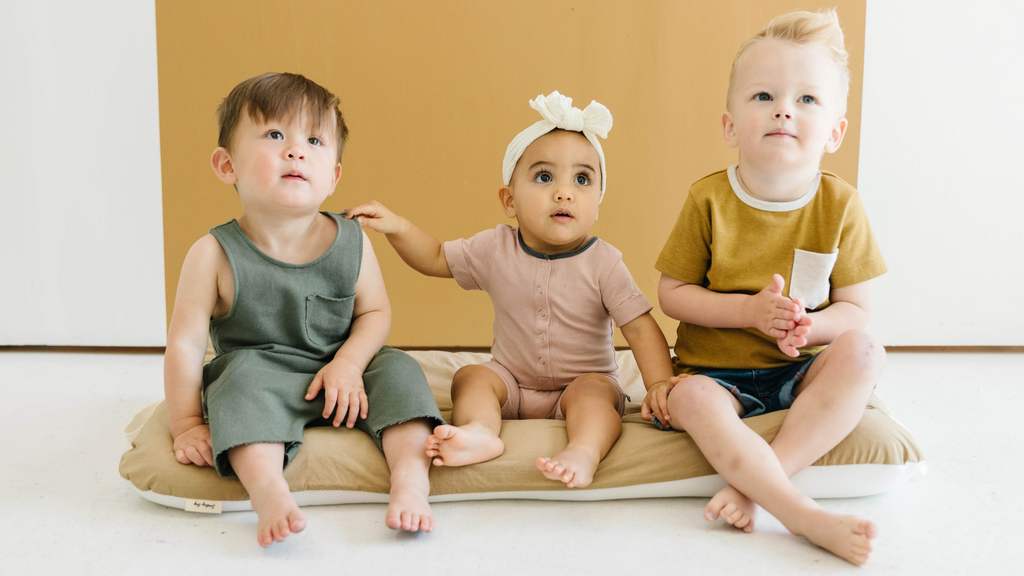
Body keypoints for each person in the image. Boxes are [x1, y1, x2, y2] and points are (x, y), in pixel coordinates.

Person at [163, 72, 445, 546]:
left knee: (401, 373)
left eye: (314, 140)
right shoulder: (212, 254)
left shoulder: (352, 241)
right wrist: (187, 423)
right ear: (226, 165)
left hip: (346, 374)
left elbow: (374, 315)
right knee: (238, 387)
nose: (296, 151)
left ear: (333, 176)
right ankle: (269, 491)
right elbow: (186, 344)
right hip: (263, 373)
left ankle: (411, 482)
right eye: (275, 135)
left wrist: (350, 364)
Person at [347, 91, 674, 489]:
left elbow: (639, 327)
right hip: (512, 383)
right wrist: (398, 226)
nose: (564, 192)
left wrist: (658, 384)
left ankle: (584, 451)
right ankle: (481, 431)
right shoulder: (495, 248)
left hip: (582, 382)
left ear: (598, 204)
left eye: (582, 179)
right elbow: (434, 257)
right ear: (509, 200)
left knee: (596, 394)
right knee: (471, 376)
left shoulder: (604, 262)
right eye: (544, 177)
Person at [652, 10, 886, 565]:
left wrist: (814, 326)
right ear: (730, 125)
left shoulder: (841, 205)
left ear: (834, 132)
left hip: (800, 372)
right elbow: (672, 293)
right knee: (689, 398)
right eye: (764, 95)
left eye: (807, 99)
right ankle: (800, 512)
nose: (784, 108)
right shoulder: (707, 200)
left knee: (866, 352)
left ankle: (760, 479)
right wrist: (748, 314)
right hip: (717, 375)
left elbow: (856, 310)